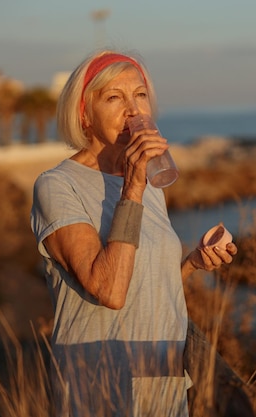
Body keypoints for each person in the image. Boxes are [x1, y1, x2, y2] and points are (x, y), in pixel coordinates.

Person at [30, 50, 238, 417]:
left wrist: (191, 263)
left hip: (163, 384)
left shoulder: (150, 184)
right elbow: (109, 289)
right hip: (100, 387)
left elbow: (145, 285)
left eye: (140, 95)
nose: (133, 109)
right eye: (114, 97)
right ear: (84, 114)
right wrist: (133, 187)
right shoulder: (57, 186)